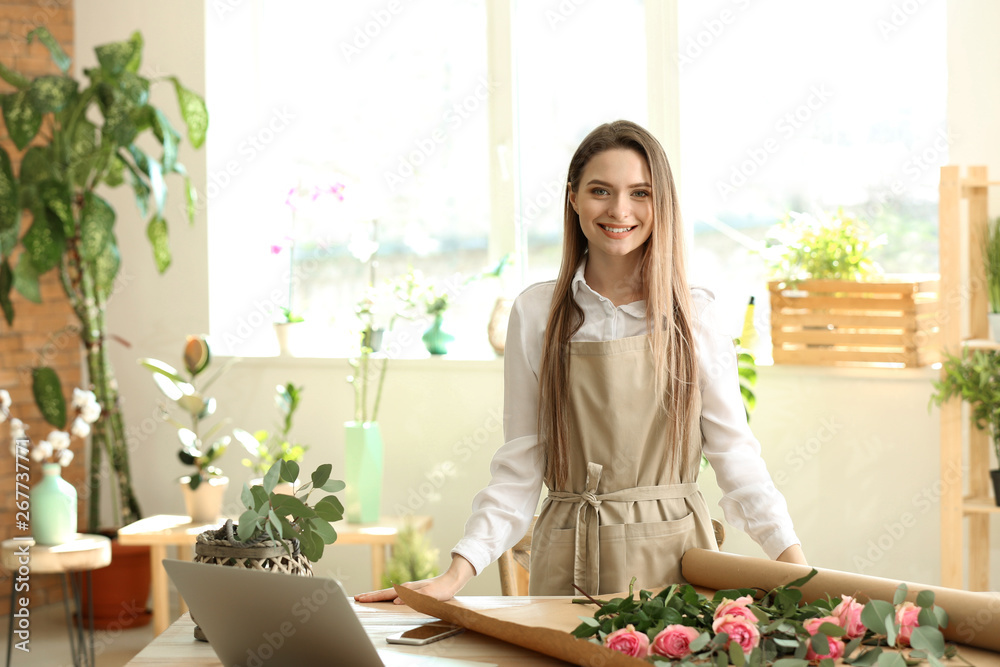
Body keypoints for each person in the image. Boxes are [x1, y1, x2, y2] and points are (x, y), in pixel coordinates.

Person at [355, 120, 806, 604]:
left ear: (662, 204)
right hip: (567, 565)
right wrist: (455, 575)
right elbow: (520, 467)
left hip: (675, 566)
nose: (619, 210)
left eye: (640, 193)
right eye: (600, 191)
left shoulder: (695, 316)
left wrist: (802, 577)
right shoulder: (535, 314)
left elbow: (736, 459)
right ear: (573, 198)